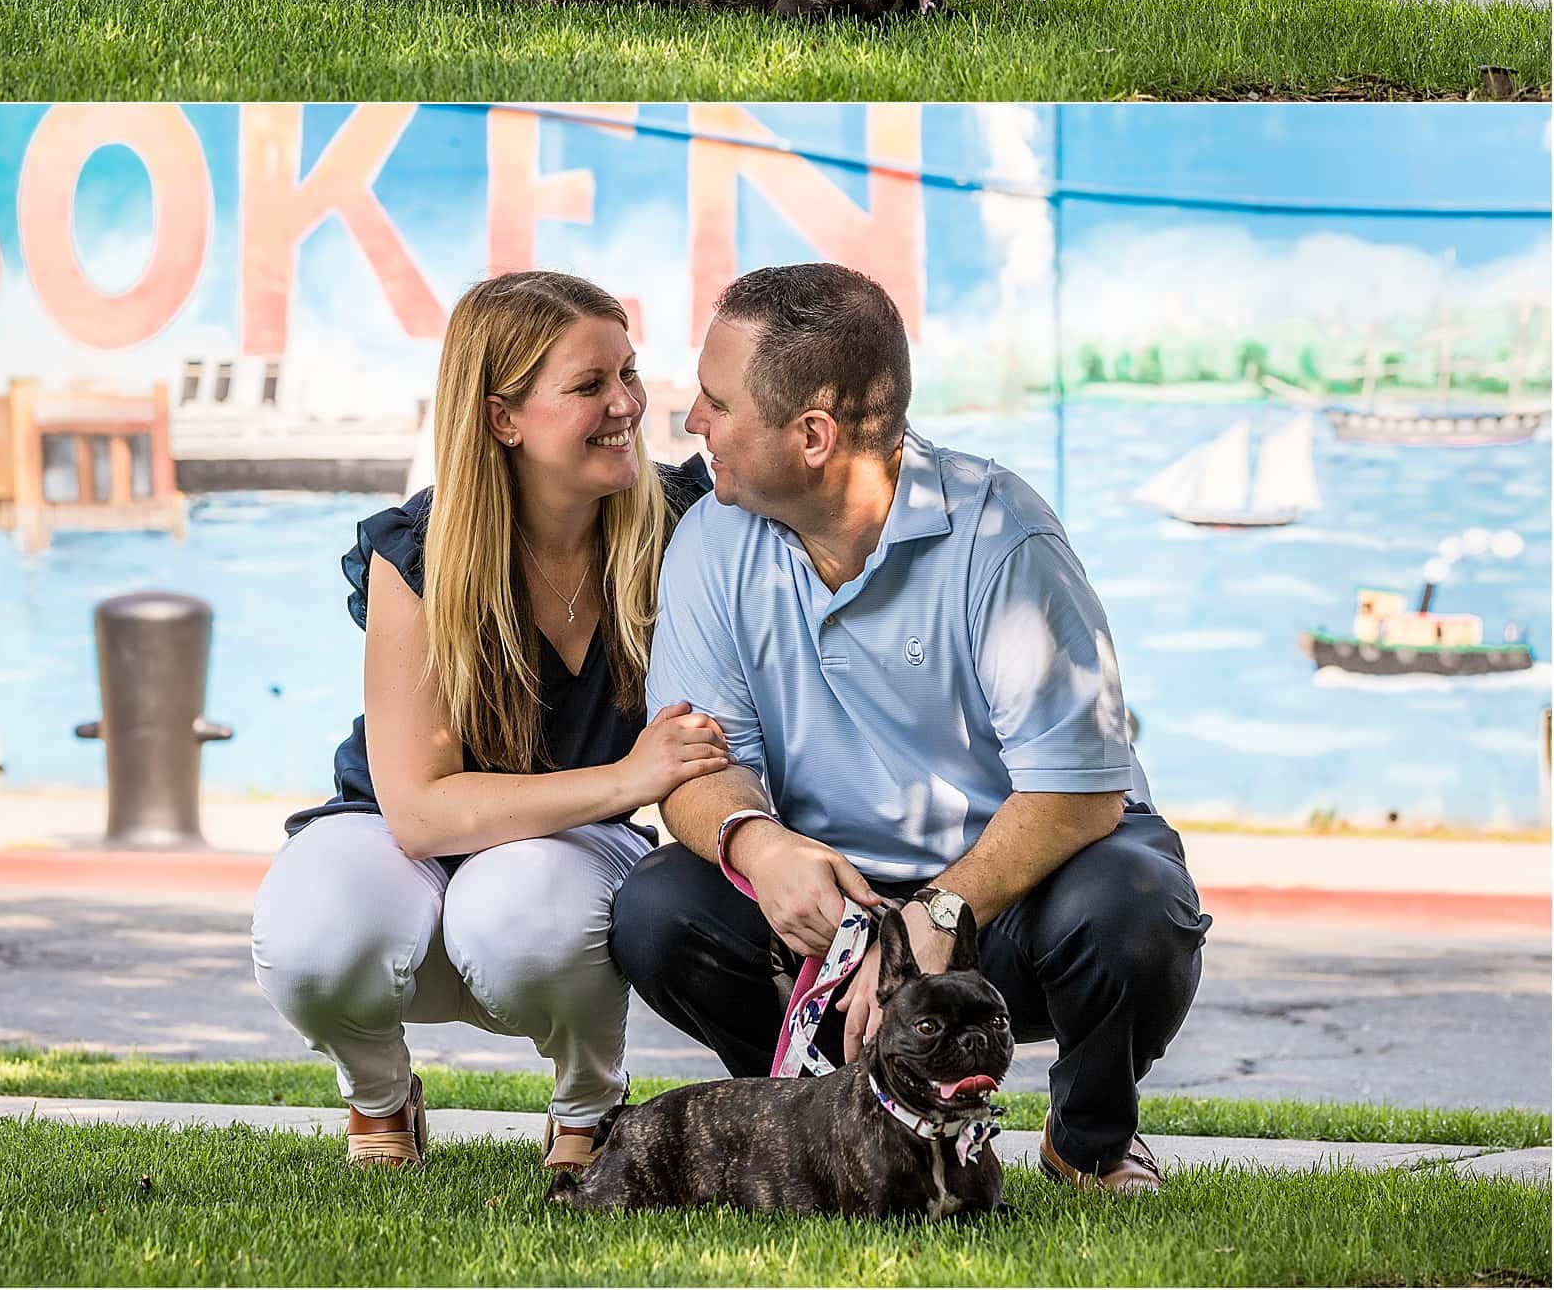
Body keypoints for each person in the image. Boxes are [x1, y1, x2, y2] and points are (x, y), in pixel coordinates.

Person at [613, 263, 1209, 1194]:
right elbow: (697, 764)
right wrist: (760, 845)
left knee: (1135, 908)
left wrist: (941, 912)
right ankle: (819, 1127)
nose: (693, 422)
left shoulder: (1002, 537)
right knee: (658, 910)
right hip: (835, 901)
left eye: (718, 404)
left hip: (1012, 893)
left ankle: (1089, 1141)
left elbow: (1080, 792)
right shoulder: (711, 541)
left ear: (813, 436)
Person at [250, 271, 727, 1171]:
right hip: (400, 829)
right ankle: (379, 1096)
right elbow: (419, 812)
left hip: (568, 854)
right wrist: (628, 778)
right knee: (312, 939)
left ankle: (588, 1104)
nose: (627, 405)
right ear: (502, 417)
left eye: (628, 373)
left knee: (524, 908)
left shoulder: (682, 522)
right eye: (589, 386)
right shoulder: (420, 550)